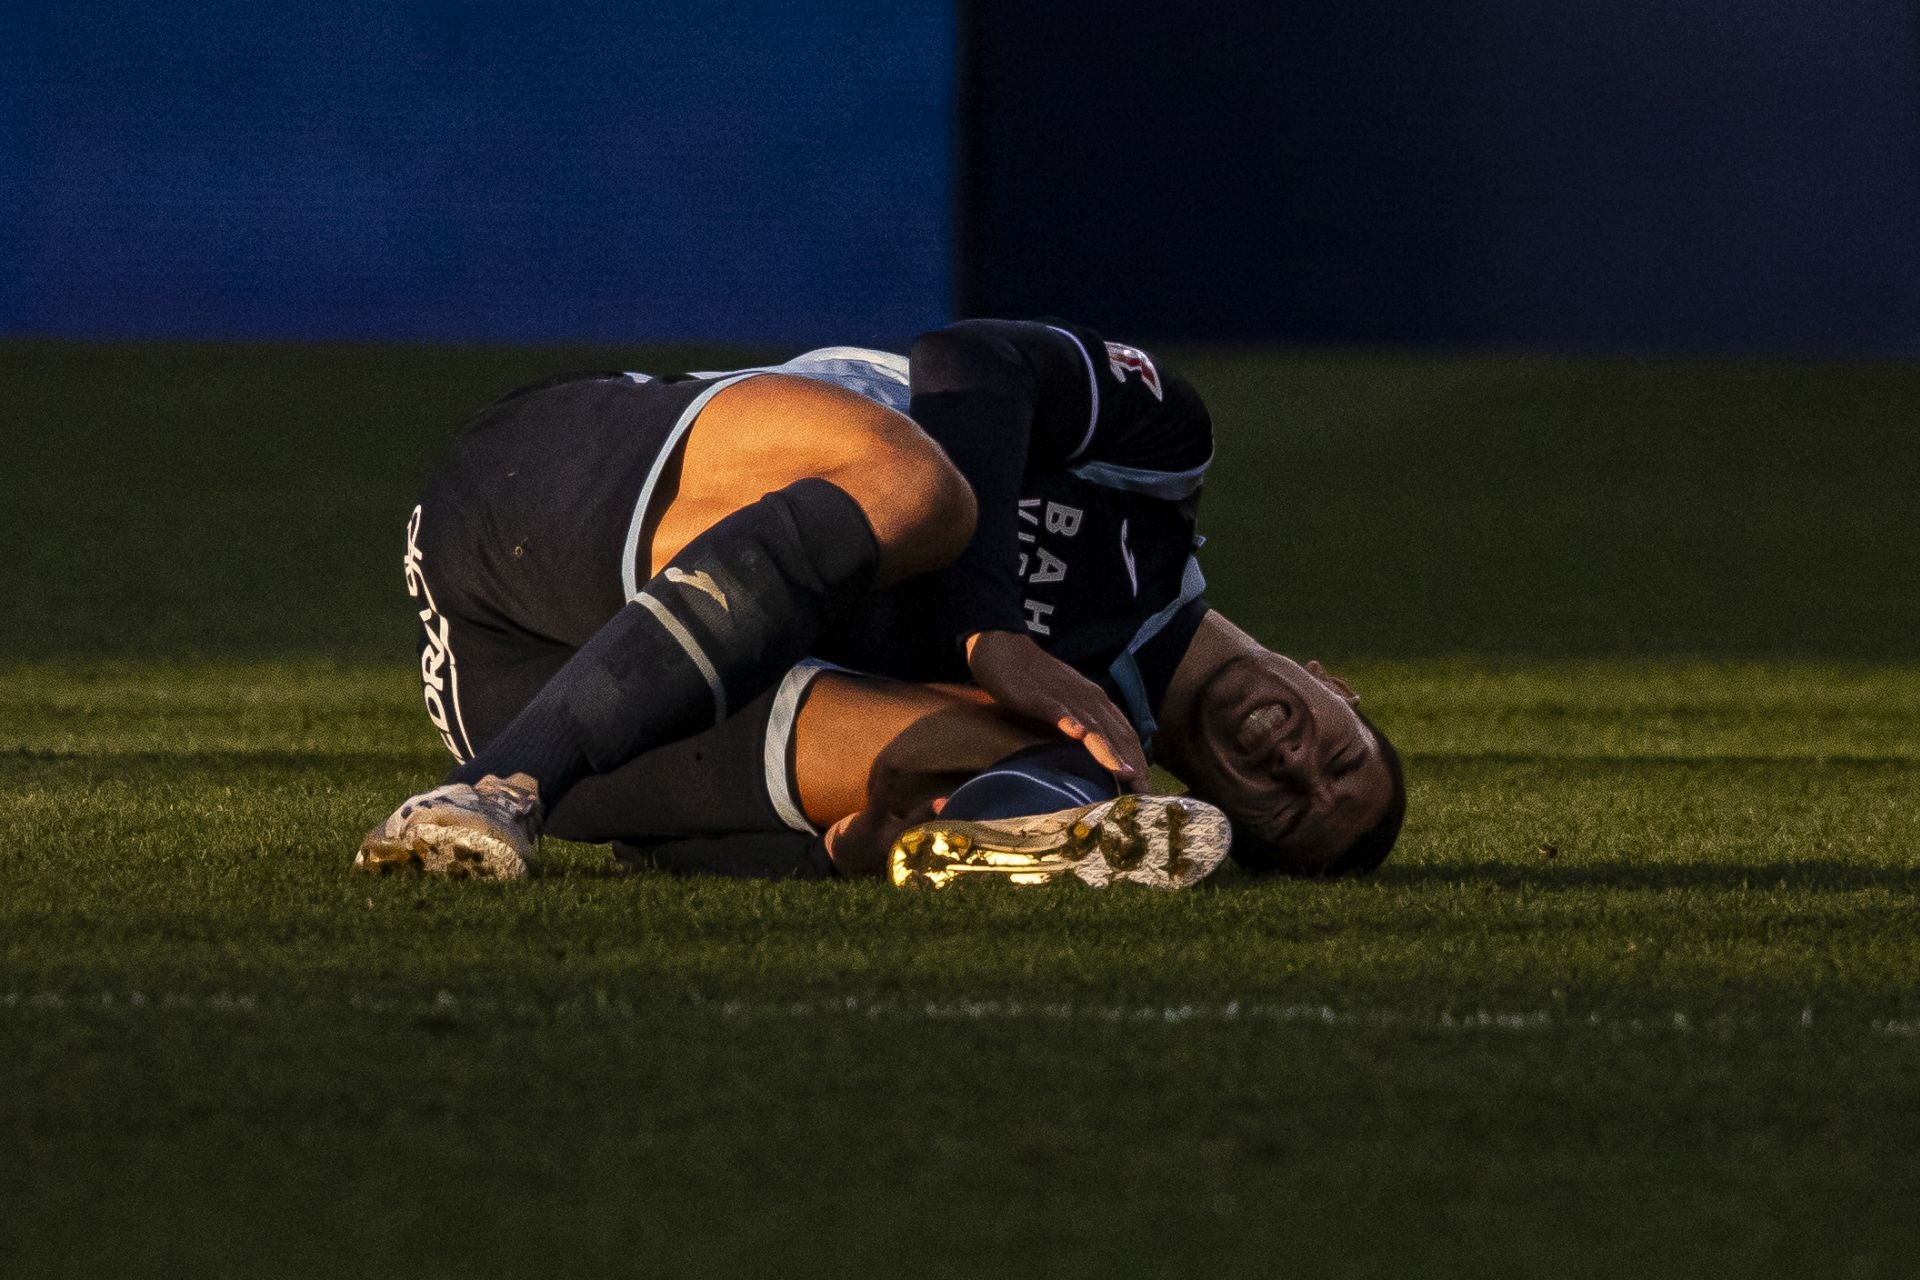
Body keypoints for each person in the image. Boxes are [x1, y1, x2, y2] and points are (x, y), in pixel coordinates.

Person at [356, 322, 1404, 885]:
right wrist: (991, 633)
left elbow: (681, 833)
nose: (1297, 764)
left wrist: (835, 856)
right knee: (925, 493)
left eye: (1287, 810)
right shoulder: (1156, 471)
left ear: (1226, 813)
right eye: (1341, 757)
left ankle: (1010, 840)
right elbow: (972, 358)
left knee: (1038, 779)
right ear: (1337, 687)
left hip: (526, 700)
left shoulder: (1077, 743)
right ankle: (496, 788)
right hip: (538, 498)